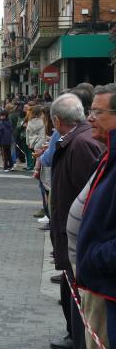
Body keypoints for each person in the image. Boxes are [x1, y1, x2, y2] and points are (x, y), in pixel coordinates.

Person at [48, 93, 104, 349]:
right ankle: (74, 337)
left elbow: (91, 199)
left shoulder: (81, 144)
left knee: (81, 303)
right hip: (73, 243)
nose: (93, 119)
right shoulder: (76, 140)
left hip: (82, 246)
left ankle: (77, 340)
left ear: (57, 120)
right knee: (72, 296)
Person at [76, 83, 116, 349]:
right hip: (100, 287)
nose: (89, 118)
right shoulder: (109, 153)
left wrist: (94, 258)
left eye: (97, 112)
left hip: (108, 291)